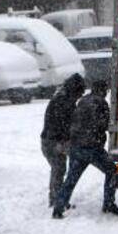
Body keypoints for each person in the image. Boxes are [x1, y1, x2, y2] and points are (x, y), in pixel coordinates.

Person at [53, 80, 118, 218]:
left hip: (76, 147)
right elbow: (103, 124)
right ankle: (109, 204)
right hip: (92, 148)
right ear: (103, 90)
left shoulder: (83, 100)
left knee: (71, 179)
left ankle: (58, 208)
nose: (106, 93)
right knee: (111, 171)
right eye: (106, 90)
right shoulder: (100, 103)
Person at [41, 73, 86, 207]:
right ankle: (56, 200)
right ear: (74, 89)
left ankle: (57, 198)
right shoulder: (63, 102)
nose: (80, 96)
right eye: (80, 93)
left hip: (50, 140)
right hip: (53, 141)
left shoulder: (62, 98)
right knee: (59, 169)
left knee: (59, 168)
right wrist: (67, 139)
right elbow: (65, 124)